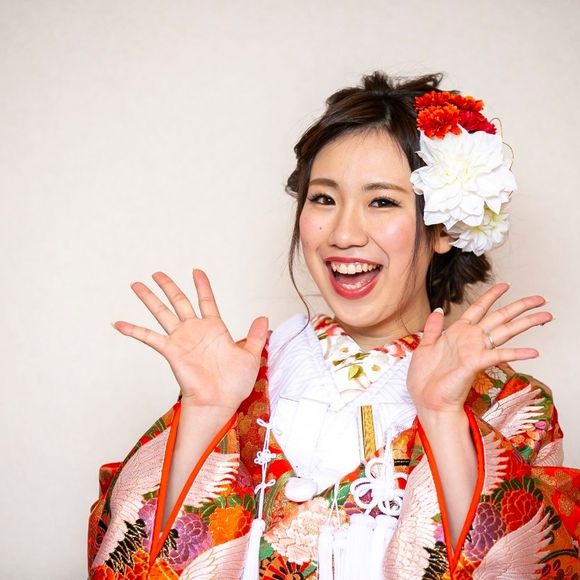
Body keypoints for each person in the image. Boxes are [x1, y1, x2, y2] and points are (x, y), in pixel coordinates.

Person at [87, 71, 580, 579]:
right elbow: (128, 566)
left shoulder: (510, 404)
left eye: (382, 201)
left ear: (442, 230)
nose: (344, 234)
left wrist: (443, 418)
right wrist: (205, 414)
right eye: (323, 199)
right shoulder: (235, 378)